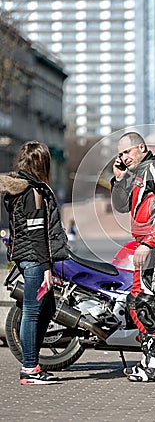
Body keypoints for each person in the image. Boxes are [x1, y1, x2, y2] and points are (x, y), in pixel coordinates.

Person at [111, 132, 155, 382]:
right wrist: (119, 178)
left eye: (126, 152)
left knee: (145, 303)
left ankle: (154, 365)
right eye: (120, 154)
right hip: (149, 245)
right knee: (143, 302)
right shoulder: (137, 173)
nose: (123, 157)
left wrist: (149, 244)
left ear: (141, 147)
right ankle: (154, 363)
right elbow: (120, 206)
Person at [0, 141, 69, 385]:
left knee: (47, 310)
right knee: (31, 313)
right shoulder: (33, 192)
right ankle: (30, 368)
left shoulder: (19, 189)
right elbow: (37, 234)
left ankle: (33, 362)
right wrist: (47, 269)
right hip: (35, 261)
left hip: (27, 258)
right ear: (42, 164)